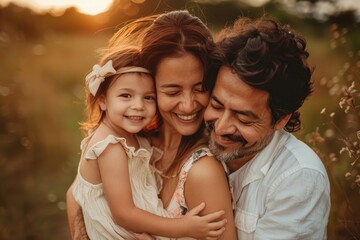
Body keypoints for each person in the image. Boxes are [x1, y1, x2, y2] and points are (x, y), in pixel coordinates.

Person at [66, 10, 237, 240]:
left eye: (200, 88)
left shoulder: (202, 172)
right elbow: (76, 196)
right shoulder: (136, 143)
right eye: (172, 91)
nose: (188, 106)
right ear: (150, 84)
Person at [203, 17, 331, 239]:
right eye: (216, 105)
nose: (221, 127)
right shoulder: (190, 135)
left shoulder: (298, 179)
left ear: (281, 119)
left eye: (244, 118)